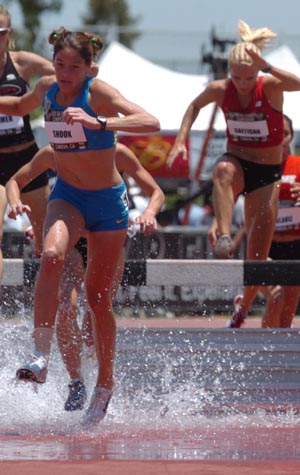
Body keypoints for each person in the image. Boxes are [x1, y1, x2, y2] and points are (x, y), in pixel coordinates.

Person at [0, 28, 160, 427]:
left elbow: (151, 121)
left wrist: (98, 120)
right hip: (68, 196)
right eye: (59, 65)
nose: (66, 73)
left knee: (98, 300)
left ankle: (104, 385)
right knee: (51, 256)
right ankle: (40, 359)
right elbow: (19, 106)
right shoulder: (47, 89)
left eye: (75, 66)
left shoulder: (98, 92)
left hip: (107, 206)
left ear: (90, 67)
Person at [166, 20, 300, 328]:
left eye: (248, 76)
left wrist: (267, 67)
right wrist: (180, 141)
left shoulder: (268, 85)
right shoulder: (221, 89)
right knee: (222, 169)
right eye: (236, 76)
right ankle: (225, 236)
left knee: (257, 259)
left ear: (257, 72)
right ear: (229, 72)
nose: (242, 83)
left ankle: (243, 306)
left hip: (267, 174)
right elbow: (194, 106)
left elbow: (299, 85)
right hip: (239, 163)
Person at [13, 143, 165, 411]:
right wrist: (19, 206)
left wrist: (149, 213)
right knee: (66, 306)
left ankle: (98, 373)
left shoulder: (117, 152)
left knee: (94, 312)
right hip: (73, 238)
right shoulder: (55, 151)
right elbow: (17, 179)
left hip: (106, 235)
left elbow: (156, 190)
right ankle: (75, 381)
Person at [0, 6, 55, 280]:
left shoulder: (23, 62)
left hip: (26, 160)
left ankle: (56, 312)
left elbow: (65, 74)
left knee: (47, 242)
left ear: (9, 33)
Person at [258, 114, 300, 328]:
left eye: (285, 134)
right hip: (266, 246)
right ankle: (262, 354)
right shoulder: (259, 166)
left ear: (292, 137)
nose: (280, 139)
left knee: (286, 319)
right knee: (275, 299)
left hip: (294, 246)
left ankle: (280, 359)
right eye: (276, 134)